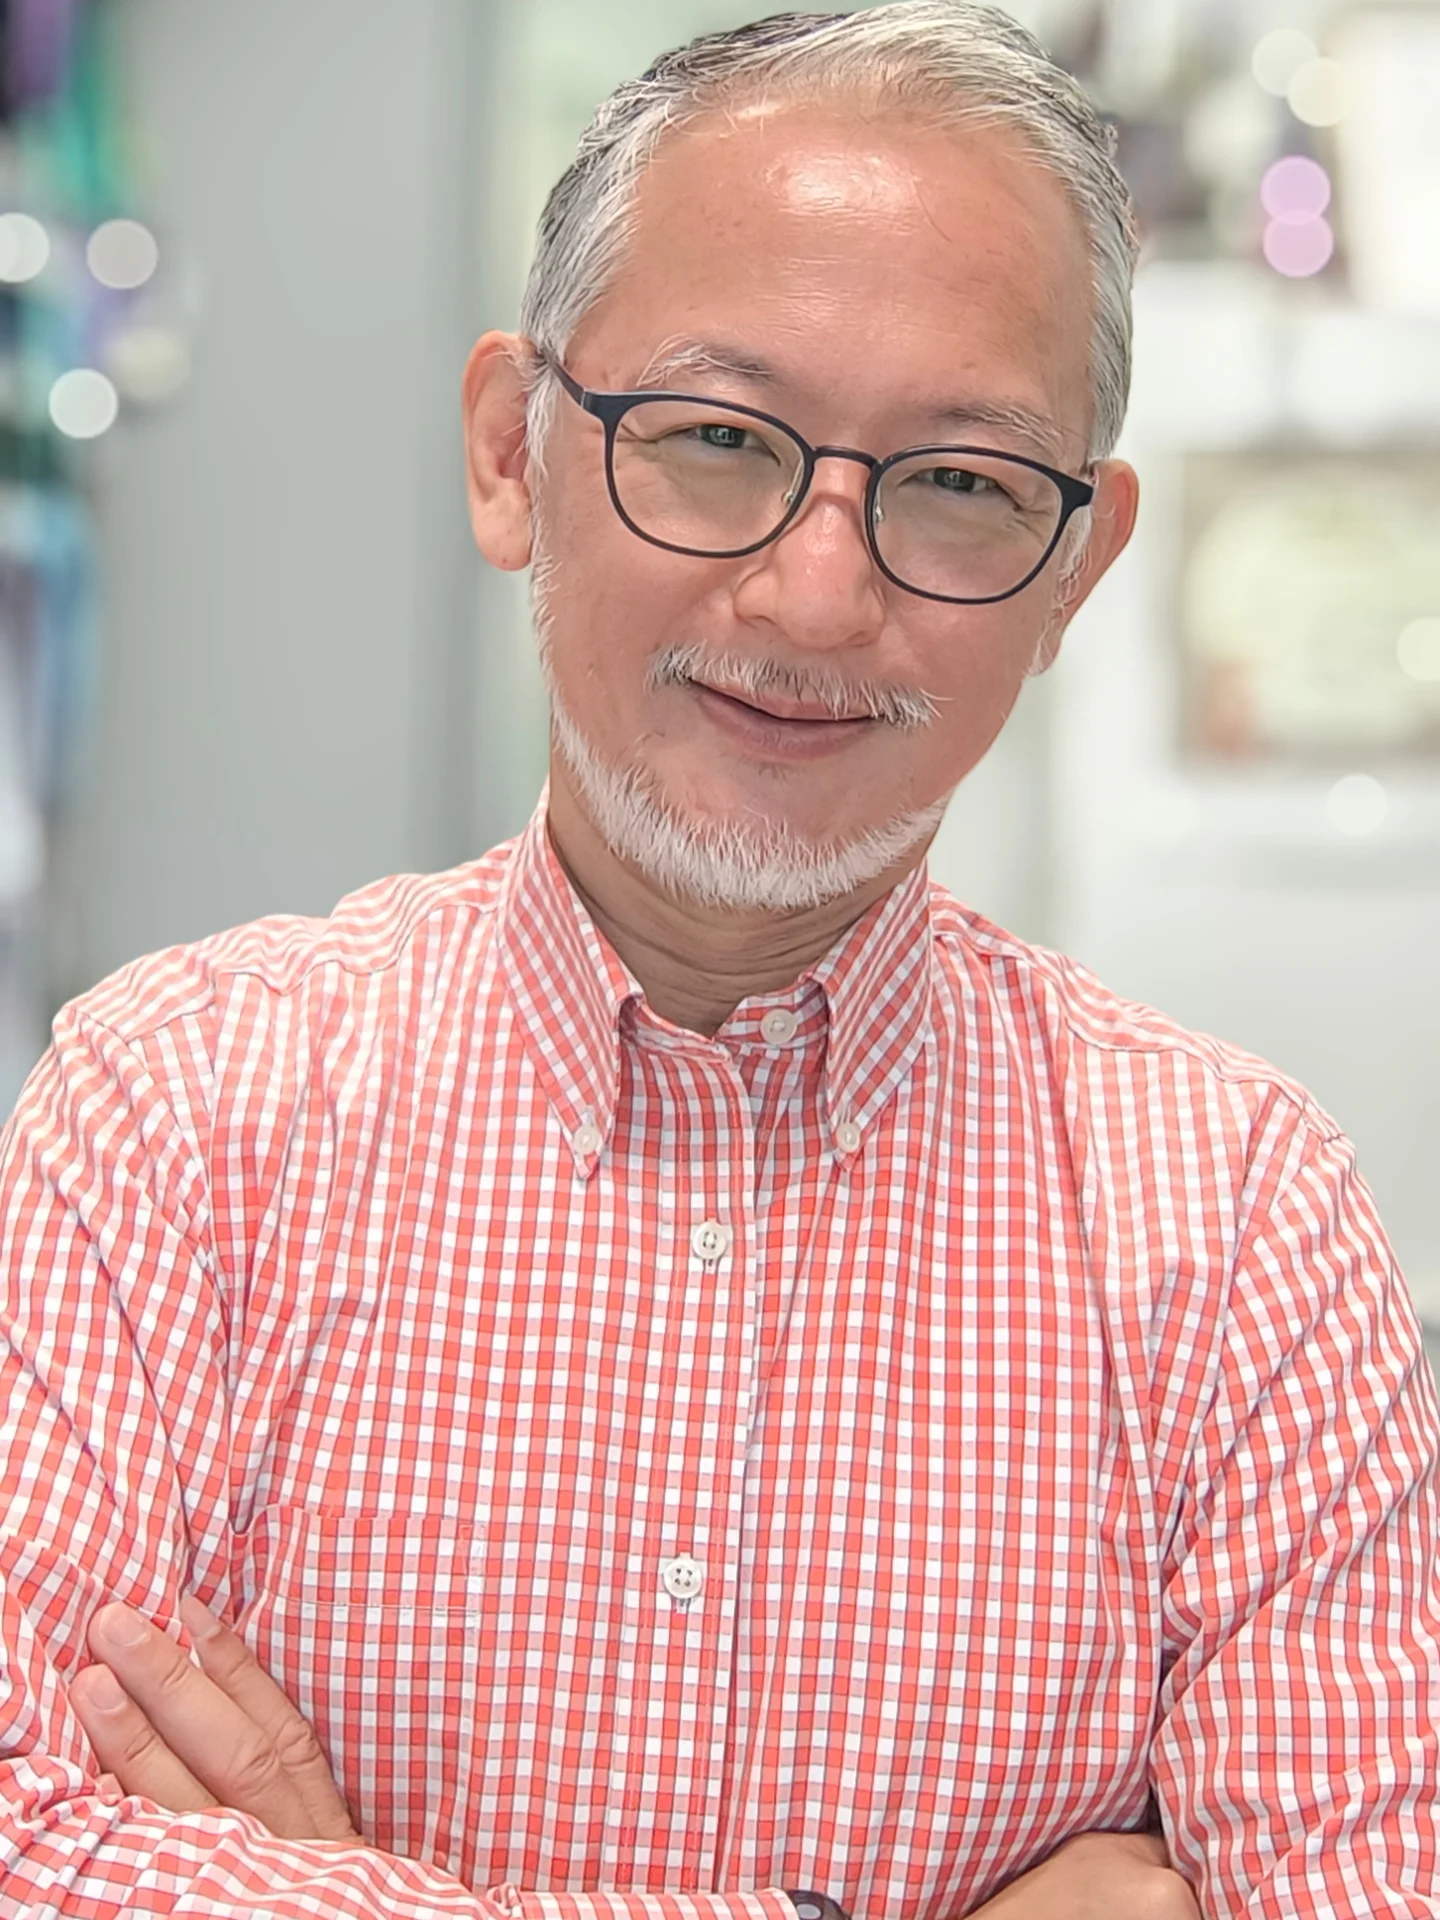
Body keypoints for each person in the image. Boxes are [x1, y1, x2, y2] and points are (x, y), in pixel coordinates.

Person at [2, 4, 1437, 1917]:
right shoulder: (168, 1123)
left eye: (957, 484)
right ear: (516, 454)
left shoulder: (1243, 1223)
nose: (817, 591)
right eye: (713, 441)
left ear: (1075, 571)